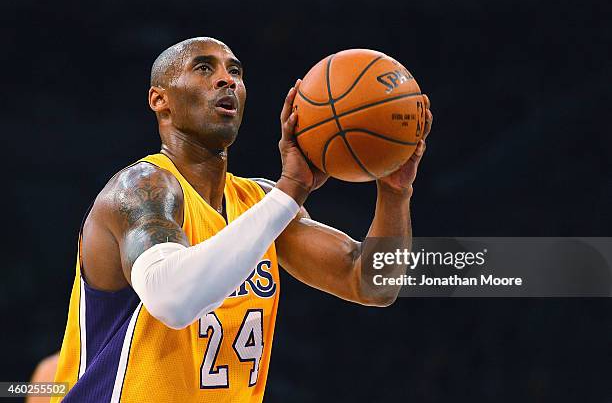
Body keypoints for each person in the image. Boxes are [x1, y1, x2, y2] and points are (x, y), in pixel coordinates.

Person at [52, 37, 433, 402]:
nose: (226, 79)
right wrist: (291, 190)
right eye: (204, 68)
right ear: (160, 100)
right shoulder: (141, 187)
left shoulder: (262, 202)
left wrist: (395, 193)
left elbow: (371, 283)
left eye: (235, 71)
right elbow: (171, 300)